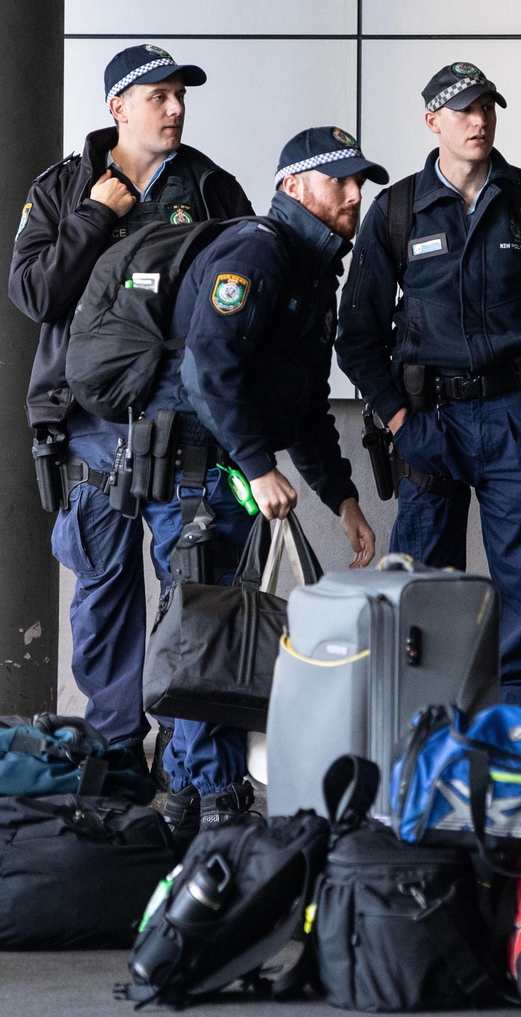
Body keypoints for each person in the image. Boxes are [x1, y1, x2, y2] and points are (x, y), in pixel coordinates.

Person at [9, 44, 253, 779]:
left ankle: (191, 770)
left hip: (186, 431)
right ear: (119, 107)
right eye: (159, 97)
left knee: (193, 591)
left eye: (181, 96)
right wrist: (93, 214)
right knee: (103, 593)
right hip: (89, 428)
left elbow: (244, 298)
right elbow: (34, 296)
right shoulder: (63, 187)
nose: (175, 109)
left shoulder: (211, 189)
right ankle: (115, 757)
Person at [337, 62, 521, 712]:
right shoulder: (397, 209)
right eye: (463, 110)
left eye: (487, 107)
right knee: (424, 588)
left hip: (519, 422)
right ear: (433, 121)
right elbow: (357, 333)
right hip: (430, 426)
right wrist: (400, 419)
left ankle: (520, 724)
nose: (479, 120)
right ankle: (423, 721)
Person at [144, 126, 383, 836]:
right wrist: (257, 464)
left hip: (229, 474)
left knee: (219, 628)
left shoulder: (314, 276)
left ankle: (189, 806)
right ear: (292, 187)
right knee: (208, 635)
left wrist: (343, 500)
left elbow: (305, 407)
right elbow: (206, 369)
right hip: (198, 472)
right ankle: (220, 807)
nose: (353, 196)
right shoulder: (257, 251)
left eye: (358, 183)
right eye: (337, 181)